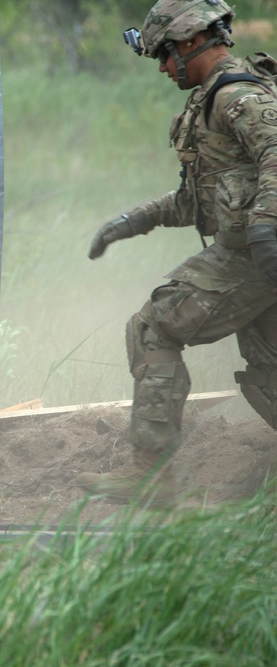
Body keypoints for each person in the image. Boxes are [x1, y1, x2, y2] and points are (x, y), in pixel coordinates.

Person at [75, 0, 277, 507]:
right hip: (257, 252)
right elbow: (199, 199)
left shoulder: (239, 98)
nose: (164, 67)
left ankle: (150, 474)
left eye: (166, 54)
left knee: (153, 327)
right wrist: (132, 221)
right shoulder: (213, 99)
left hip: (253, 256)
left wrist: (266, 230)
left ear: (192, 43)